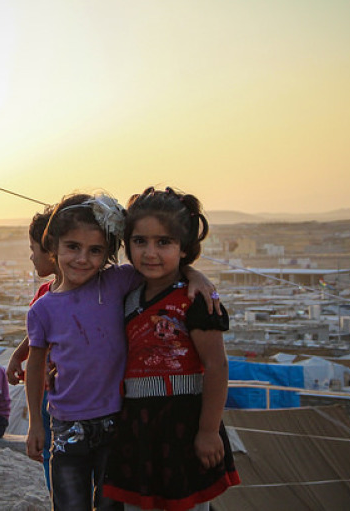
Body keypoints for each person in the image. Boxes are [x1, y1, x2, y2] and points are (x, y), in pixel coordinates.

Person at [25, 192, 219, 511]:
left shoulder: (115, 283)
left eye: (95, 251)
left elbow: (161, 268)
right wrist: (36, 423)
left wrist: (196, 275)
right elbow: (35, 366)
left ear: (108, 254)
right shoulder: (42, 309)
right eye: (73, 247)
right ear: (53, 246)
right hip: (67, 424)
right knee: (69, 501)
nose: (83, 259)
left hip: (118, 424)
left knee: (112, 504)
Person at [103, 187, 240, 510]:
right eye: (140, 241)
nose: (150, 252)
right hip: (137, 425)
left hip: (184, 422)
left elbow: (217, 366)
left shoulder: (196, 301)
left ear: (184, 248)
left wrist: (208, 431)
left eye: (163, 242)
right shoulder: (127, 297)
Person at [7, 206, 60, 490]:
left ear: (51, 249)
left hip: (76, 395)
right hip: (47, 393)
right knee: (52, 459)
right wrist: (18, 354)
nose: (31, 256)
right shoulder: (44, 294)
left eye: (33, 248)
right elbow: (36, 338)